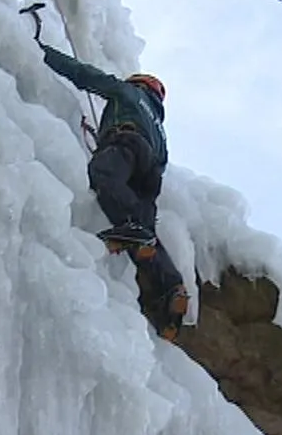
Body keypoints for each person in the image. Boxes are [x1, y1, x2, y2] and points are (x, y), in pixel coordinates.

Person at [36, 40, 189, 341]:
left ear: (139, 84)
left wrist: (42, 51)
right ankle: (171, 290)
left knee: (103, 174)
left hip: (126, 143)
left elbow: (85, 75)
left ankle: (131, 229)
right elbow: (158, 168)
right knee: (145, 237)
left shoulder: (129, 92)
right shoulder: (160, 131)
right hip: (150, 171)